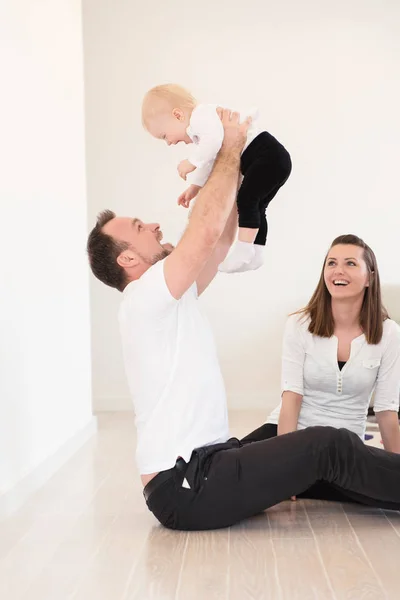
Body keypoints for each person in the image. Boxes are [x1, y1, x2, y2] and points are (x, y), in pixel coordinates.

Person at [87, 109, 400, 532]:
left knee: (287, 437)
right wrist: (229, 146)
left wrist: (238, 171)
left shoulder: (169, 299)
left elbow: (216, 239)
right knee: (329, 444)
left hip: (208, 464)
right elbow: (200, 234)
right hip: (188, 485)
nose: (156, 224)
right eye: (141, 227)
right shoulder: (145, 296)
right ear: (127, 259)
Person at [243, 235, 400, 456]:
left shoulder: (389, 333)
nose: (338, 270)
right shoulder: (299, 325)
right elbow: (291, 397)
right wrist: (284, 465)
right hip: (290, 434)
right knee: (225, 464)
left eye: (350, 263)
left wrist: (394, 471)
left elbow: (386, 410)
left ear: (369, 278)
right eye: (332, 263)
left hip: (343, 444)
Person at [141, 84, 291, 273]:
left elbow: (212, 143)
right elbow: (210, 160)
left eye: (164, 136)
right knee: (257, 206)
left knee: (246, 200)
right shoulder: (200, 129)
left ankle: (243, 251)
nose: (169, 142)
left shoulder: (201, 116)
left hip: (267, 155)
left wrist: (190, 162)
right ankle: (256, 253)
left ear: (178, 115)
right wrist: (194, 187)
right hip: (272, 158)